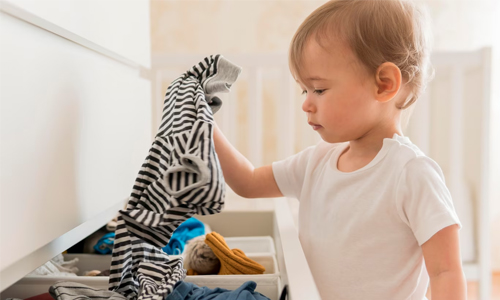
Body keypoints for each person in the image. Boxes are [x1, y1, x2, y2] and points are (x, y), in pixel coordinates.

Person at [213, 0, 465, 299]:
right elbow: (248, 181)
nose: (306, 102)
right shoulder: (316, 162)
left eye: (318, 89)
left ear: (384, 84)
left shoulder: (410, 173)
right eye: (304, 90)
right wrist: (206, 125)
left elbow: (445, 271)